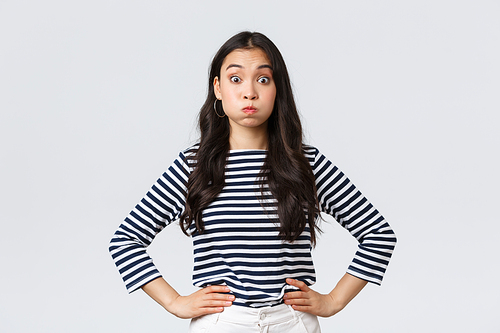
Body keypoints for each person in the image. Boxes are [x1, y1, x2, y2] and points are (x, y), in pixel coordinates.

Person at [109, 31, 396, 333]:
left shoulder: (306, 165)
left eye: (262, 79)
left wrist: (335, 300)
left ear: (277, 89)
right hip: (222, 323)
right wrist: (174, 302)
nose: (249, 92)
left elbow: (378, 234)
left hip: (292, 323)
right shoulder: (193, 167)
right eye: (236, 79)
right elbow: (125, 240)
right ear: (218, 88)